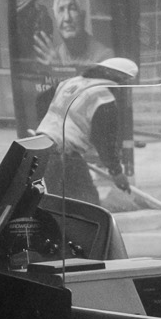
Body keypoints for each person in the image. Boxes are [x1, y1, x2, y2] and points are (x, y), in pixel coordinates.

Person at [35, 56, 142, 209]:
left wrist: (46, 128)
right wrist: (116, 172)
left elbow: (41, 99)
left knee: (64, 206)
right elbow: (105, 140)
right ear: (121, 79)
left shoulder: (71, 83)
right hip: (63, 155)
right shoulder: (103, 97)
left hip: (45, 150)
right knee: (89, 207)